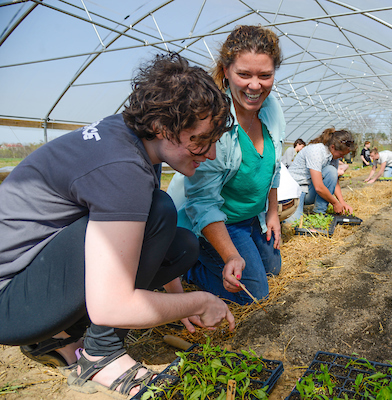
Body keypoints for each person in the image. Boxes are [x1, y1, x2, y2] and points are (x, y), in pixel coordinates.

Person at [0, 53, 235, 398]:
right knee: (160, 211)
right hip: (10, 304)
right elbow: (110, 305)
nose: (210, 153)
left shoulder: (130, 138)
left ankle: (55, 338)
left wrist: (179, 303)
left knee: (181, 245)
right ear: (161, 127)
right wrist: (199, 302)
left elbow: (144, 242)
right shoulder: (122, 167)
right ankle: (101, 355)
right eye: (200, 140)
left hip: (31, 280)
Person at [167, 25, 285, 305]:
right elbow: (204, 203)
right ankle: (190, 267)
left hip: (251, 218)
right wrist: (231, 255)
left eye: (265, 75)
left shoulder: (272, 110)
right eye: (244, 74)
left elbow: (273, 166)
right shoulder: (212, 123)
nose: (255, 86)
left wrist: (272, 213)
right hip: (219, 221)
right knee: (254, 294)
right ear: (226, 71)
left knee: (273, 269)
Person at [285, 128, 356, 223]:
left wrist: (342, 203)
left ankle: (319, 214)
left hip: (308, 189)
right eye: (341, 154)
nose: (342, 157)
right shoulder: (316, 151)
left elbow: (334, 180)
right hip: (295, 189)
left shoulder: (333, 156)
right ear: (332, 147)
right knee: (293, 224)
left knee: (331, 171)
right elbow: (318, 187)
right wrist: (335, 203)